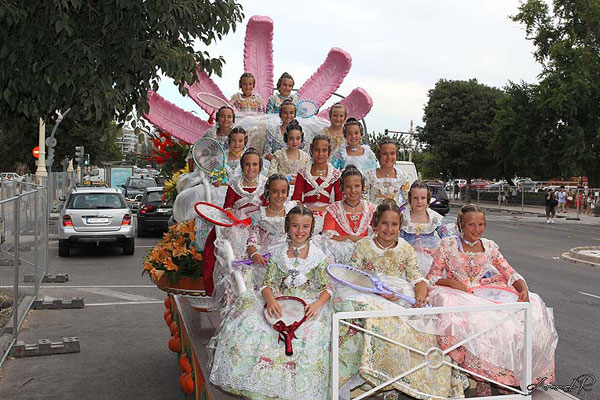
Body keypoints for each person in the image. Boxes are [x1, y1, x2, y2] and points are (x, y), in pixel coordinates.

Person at [335, 200, 465, 399]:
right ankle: (381, 379)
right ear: (375, 224)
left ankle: (406, 382)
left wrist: (421, 292)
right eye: (384, 223)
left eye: (394, 225)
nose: (389, 229)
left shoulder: (405, 248)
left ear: (400, 226)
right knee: (377, 323)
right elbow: (352, 275)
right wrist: (376, 291)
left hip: (399, 294)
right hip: (369, 293)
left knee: (426, 330)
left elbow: (416, 277)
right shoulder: (363, 246)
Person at [426, 204, 557, 396]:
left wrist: (522, 288)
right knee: (474, 322)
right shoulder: (448, 245)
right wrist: (450, 283)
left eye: (481, 225)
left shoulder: (489, 246)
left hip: (483, 292)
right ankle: (481, 377)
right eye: (472, 225)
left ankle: (501, 377)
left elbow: (509, 271)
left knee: (516, 319)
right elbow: (432, 276)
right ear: (461, 224)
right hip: (458, 294)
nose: (477, 230)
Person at [209, 206, 333, 399]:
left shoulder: (318, 256)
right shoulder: (277, 254)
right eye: (295, 226)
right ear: (287, 227)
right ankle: (265, 387)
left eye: (305, 226)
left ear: (312, 229)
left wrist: (317, 304)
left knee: (308, 335)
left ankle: (297, 389)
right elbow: (267, 284)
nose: (300, 231)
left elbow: (328, 288)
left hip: (308, 304)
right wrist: (270, 300)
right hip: (281, 300)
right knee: (254, 325)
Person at [201, 148, 267, 294]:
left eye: (255, 164)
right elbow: (228, 207)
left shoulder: (265, 184)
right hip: (238, 224)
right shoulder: (234, 184)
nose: (251, 168)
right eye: (248, 164)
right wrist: (236, 220)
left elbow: (268, 206)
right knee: (233, 248)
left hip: (259, 223)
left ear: (260, 167)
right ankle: (235, 288)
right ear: (242, 166)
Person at [291, 135, 343, 233]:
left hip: (327, 212)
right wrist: (306, 209)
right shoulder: (303, 173)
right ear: (311, 150)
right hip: (306, 212)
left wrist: (322, 209)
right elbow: (296, 198)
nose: (320, 154)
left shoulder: (335, 174)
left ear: (329, 152)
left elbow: (339, 201)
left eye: (324, 150)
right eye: (317, 150)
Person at [322, 166, 376, 243]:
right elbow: (327, 237)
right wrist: (356, 239)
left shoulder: (371, 209)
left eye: (357, 186)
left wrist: (346, 238)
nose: (353, 190)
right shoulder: (333, 210)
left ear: (362, 187)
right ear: (342, 188)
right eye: (348, 187)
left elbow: (378, 235)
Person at [364, 138, 410, 205]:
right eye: (385, 154)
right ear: (379, 155)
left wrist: (401, 210)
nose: (389, 157)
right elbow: (364, 201)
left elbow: (408, 200)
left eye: (392, 153)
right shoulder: (368, 176)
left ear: (396, 155)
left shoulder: (403, 176)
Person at [267, 119, 311, 184]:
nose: (294, 142)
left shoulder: (306, 157)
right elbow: (271, 173)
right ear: (286, 139)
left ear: (301, 139)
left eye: (298, 138)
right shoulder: (278, 155)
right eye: (291, 138)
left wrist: (299, 181)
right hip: (281, 188)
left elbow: (309, 176)